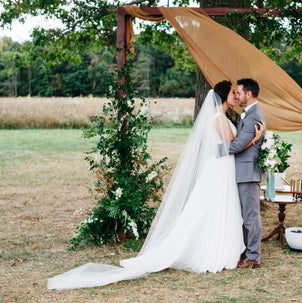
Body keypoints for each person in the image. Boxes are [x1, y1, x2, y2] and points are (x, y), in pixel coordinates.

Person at [47, 80, 264, 290]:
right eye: (233, 93)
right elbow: (230, 146)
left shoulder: (224, 116)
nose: (235, 96)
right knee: (214, 209)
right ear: (224, 96)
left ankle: (226, 247)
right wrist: (255, 139)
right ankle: (212, 248)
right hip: (219, 169)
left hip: (223, 170)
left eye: (238, 93)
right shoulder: (218, 117)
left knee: (219, 210)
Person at [229, 78, 266, 269]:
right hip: (243, 171)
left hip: (248, 172)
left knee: (251, 215)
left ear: (248, 94)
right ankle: (248, 251)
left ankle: (254, 257)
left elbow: (237, 145)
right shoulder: (248, 114)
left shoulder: (253, 116)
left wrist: (214, 149)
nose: (237, 95)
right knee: (246, 215)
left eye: (239, 92)